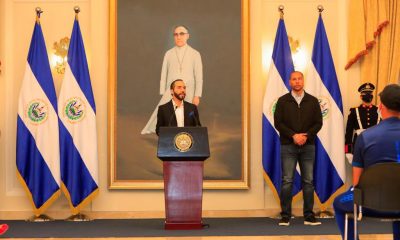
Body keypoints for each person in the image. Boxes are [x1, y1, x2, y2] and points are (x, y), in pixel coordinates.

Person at [334, 84, 400, 240]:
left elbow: (357, 184)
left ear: (381, 106)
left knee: (339, 202)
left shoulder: (366, 137)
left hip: (369, 203)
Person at [274, 71, 323, 226]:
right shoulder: (282, 101)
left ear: (303, 81)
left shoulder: (313, 101)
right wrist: (293, 136)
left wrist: (306, 136)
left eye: (299, 79)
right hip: (288, 146)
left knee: (308, 181)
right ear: (290, 82)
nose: (297, 81)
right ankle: (285, 216)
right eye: (294, 79)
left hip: (308, 146)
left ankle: (309, 216)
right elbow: (278, 123)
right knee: (287, 180)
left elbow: (318, 123)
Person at [142, 25, 203, 134]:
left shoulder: (195, 54)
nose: (178, 37)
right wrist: (163, 91)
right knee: (167, 112)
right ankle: (160, 131)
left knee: (187, 114)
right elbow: (163, 73)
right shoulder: (169, 53)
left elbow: (199, 77)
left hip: (188, 89)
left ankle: (186, 135)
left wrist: (197, 95)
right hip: (171, 89)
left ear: (187, 36)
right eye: (176, 34)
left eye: (181, 34)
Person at [344, 83, 380, 162]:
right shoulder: (354, 111)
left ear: (372, 96)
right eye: (365, 93)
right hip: (359, 146)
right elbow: (349, 133)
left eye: (370, 93)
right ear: (361, 96)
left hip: (376, 146)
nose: (368, 95)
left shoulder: (379, 110)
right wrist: (348, 151)